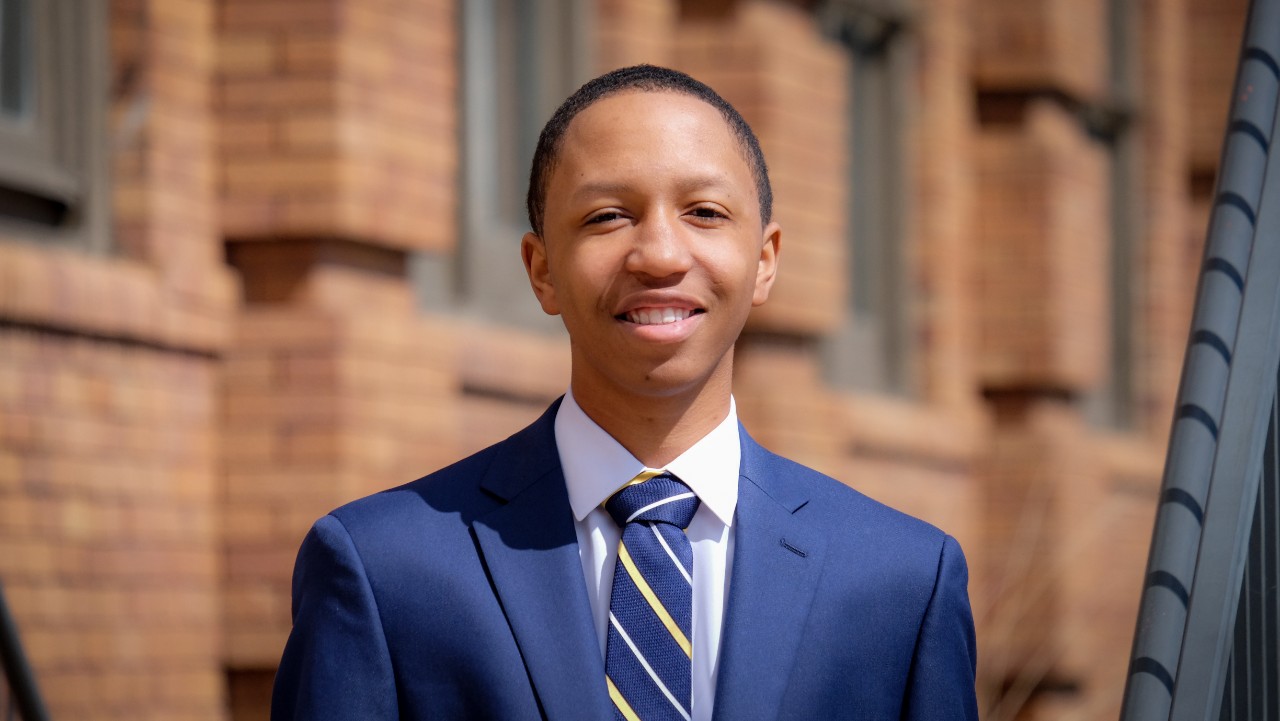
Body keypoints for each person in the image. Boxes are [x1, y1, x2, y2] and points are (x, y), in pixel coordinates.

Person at [272, 64, 978, 721]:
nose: (662, 255)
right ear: (541, 269)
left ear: (764, 262)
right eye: (609, 216)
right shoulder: (383, 567)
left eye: (704, 212)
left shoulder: (902, 582)